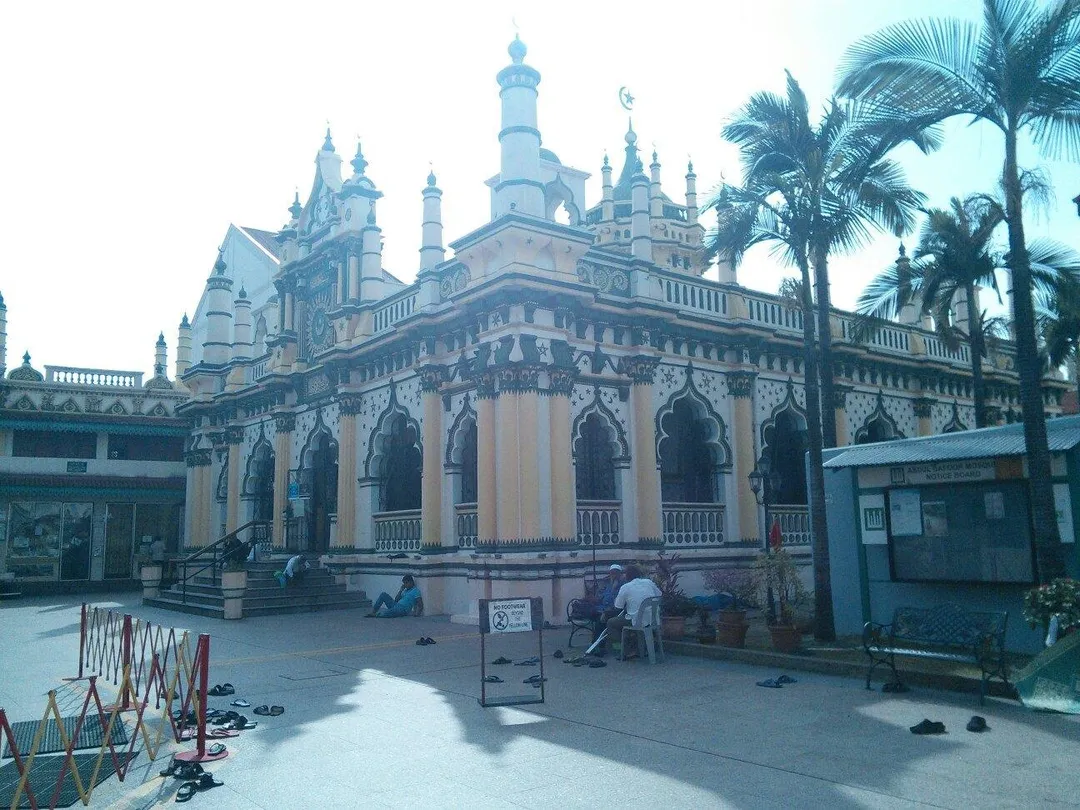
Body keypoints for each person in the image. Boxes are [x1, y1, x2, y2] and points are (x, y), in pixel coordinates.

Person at [606, 564, 662, 658]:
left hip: (637, 621)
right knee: (630, 619)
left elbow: (618, 606)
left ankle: (628, 649)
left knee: (611, 623)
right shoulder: (649, 582)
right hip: (654, 620)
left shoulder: (626, 587)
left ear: (627, 576)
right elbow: (659, 595)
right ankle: (639, 647)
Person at [590, 564, 624, 653]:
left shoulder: (623, 585)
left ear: (620, 574)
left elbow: (617, 603)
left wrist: (614, 589)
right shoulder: (607, 584)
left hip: (615, 610)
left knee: (600, 620)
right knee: (593, 613)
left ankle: (598, 646)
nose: (614, 575)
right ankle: (597, 644)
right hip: (602, 608)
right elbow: (602, 597)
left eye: (616, 573)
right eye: (612, 573)